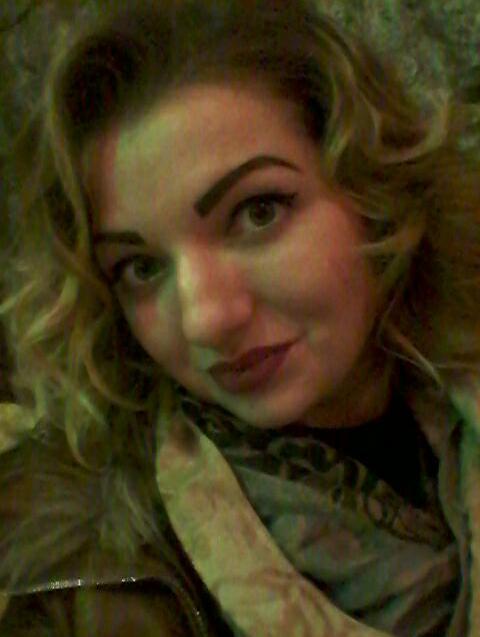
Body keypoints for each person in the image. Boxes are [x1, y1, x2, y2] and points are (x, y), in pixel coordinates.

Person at [1, 0, 479, 635]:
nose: (206, 320)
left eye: (258, 212)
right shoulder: (84, 579)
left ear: (374, 189)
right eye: (141, 267)